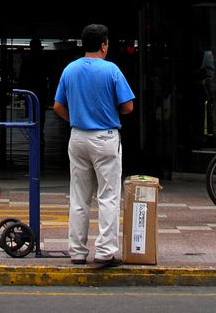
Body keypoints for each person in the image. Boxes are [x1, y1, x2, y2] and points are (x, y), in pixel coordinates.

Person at [53, 22, 134, 266]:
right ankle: (105, 251)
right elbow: (128, 106)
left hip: (78, 136)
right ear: (103, 46)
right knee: (108, 196)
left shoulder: (69, 70)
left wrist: (76, 119)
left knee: (79, 197)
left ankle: (77, 252)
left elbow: (58, 106)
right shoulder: (112, 70)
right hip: (105, 138)